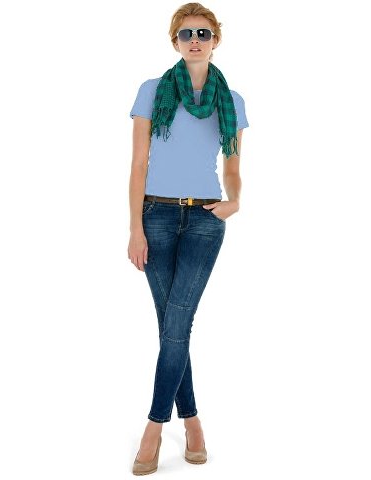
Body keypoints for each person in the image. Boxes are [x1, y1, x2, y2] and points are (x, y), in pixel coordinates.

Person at [127, 2, 249, 475]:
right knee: (173, 329)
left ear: (216, 40)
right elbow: (139, 163)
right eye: (186, 34)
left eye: (203, 33)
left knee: (176, 325)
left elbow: (233, 165)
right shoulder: (152, 90)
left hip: (204, 219)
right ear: (174, 41)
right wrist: (135, 227)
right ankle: (193, 422)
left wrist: (235, 201)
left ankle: (154, 427)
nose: (194, 40)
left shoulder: (230, 99)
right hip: (155, 215)